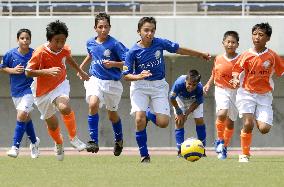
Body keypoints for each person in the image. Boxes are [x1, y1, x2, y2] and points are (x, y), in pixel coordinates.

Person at [123, 16, 210, 163]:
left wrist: (199, 54)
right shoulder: (132, 51)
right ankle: (144, 155)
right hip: (140, 86)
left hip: (158, 86)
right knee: (139, 119)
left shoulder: (159, 43)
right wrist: (138, 77)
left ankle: (149, 113)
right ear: (139, 31)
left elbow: (179, 49)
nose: (149, 33)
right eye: (146, 30)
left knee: (163, 123)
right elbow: (126, 76)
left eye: (152, 30)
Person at [25, 20, 90, 161]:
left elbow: (68, 58)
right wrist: (47, 71)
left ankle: (74, 138)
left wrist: (80, 71)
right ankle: (59, 143)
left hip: (60, 85)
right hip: (41, 92)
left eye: (63, 40)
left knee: (64, 107)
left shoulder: (64, 49)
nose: (60, 44)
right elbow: (28, 72)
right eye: (57, 41)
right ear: (49, 39)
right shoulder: (40, 52)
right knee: (53, 125)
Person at [231, 23, 284, 162]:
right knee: (248, 124)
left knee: (264, 128)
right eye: (255, 34)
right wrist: (236, 79)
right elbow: (236, 70)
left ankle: (255, 115)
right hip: (246, 93)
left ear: (268, 38)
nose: (257, 37)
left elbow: (281, 71)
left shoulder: (272, 56)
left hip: (264, 95)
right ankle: (244, 154)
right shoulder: (246, 55)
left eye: (261, 35)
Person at [79, 12, 128, 156]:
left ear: (110, 27)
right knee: (93, 103)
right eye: (100, 27)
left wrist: (113, 63)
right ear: (95, 28)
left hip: (112, 83)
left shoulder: (115, 44)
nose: (103, 30)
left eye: (106, 27)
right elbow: (91, 54)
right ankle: (93, 141)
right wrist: (81, 68)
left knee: (112, 115)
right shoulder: (90, 42)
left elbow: (127, 64)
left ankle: (119, 139)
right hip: (95, 79)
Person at [0, 29, 40, 158]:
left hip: (30, 90)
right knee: (25, 118)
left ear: (30, 40)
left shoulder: (34, 54)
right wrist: (12, 70)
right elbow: (2, 67)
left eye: (27, 38)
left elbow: (41, 69)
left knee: (22, 114)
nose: (25, 40)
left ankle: (15, 147)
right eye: (22, 38)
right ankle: (34, 142)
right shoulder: (10, 54)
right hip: (16, 92)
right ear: (18, 40)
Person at [203, 31, 240, 160]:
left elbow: (245, 75)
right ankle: (219, 140)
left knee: (230, 122)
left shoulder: (241, 59)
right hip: (221, 89)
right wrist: (208, 84)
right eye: (228, 42)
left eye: (233, 42)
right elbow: (215, 72)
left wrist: (238, 81)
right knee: (222, 113)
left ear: (237, 44)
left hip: (236, 92)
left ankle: (224, 147)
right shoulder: (218, 58)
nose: (230, 44)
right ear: (223, 43)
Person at [170, 69, 206, 158]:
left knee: (199, 120)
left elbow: (197, 102)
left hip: (194, 101)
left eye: (194, 85)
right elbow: (172, 98)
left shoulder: (199, 88)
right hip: (180, 100)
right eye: (189, 84)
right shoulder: (178, 83)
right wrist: (179, 112)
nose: (191, 87)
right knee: (179, 121)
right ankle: (180, 150)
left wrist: (186, 114)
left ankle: (203, 149)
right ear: (186, 80)